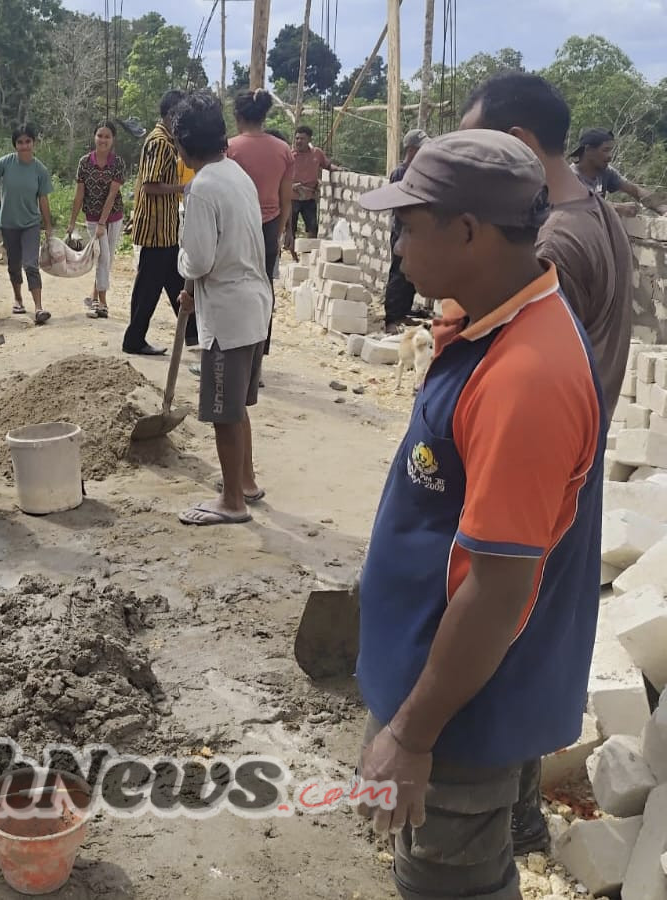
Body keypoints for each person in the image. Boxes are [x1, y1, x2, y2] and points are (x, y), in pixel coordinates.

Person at [353, 130, 604, 900]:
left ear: (468, 231)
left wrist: (413, 734)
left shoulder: (526, 376)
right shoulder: (489, 323)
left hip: (461, 711)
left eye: (407, 224)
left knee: (448, 883)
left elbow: (496, 593)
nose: (395, 247)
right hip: (439, 684)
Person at [461, 72, 636, 853]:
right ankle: (519, 809)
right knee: (533, 631)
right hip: (572, 462)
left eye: (479, 148)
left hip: (543, 470)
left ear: (523, 146)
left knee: (507, 631)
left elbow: (525, 374)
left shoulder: (554, 241)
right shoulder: (592, 210)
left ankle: (505, 819)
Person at [172, 91, 273, 526]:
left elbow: (198, 260)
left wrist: (185, 268)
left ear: (183, 143)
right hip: (253, 304)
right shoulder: (237, 174)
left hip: (228, 315)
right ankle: (246, 481)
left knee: (223, 412)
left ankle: (232, 501)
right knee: (238, 405)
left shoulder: (201, 188)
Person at [123, 89, 198, 355]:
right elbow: (150, 185)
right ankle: (134, 339)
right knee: (149, 289)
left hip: (164, 228)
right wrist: (183, 188)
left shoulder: (164, 141)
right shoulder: (161, 143)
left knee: (175, 282)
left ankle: (194, 335)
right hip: (156, 228)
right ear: (171, 116)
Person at [0, 124, 54, 324]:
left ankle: (39, 308)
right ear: (15, 145)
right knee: (14, 265)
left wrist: (48, 226)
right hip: (9, 224)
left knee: (31, 264)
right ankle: (18, 299)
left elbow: (43, 200)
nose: (24, 146)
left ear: (33, 143)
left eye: (27, 142)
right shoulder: (6, 162)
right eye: (20, 142)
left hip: (31, 223)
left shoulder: (40, 170)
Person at [227, 88, 293, 352]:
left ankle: (232, 351)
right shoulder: (283, 150)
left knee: (232, 286)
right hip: (269, 226)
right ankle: (258, 352)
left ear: (238, 116)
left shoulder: (230, 148)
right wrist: (280, 231)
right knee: (263, 288)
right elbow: (285, 199)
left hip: (238, 226)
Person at [67, 121, 126, 320]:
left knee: (107, 259)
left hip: (114, 215)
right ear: (94, 137)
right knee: (102, 257)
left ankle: (94, 295)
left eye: (107, 136)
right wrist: (72, 222)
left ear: (113, 140)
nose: (103, 140)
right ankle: (102, 303)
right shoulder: (84, 162)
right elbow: (79, 194)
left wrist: (104, 222)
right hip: (92, 216)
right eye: (100, 135)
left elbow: (112, 195)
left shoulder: (117, 163)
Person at [383, 129, 430, 334]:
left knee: (411, 273)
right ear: (411, 150)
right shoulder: (400, 173)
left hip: (416, 231)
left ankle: (403, 313)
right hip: (402, 230)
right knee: (398, 272)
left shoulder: (420, 172)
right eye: (421, 149)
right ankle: (391, 318)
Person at [570, 128, 667, 215]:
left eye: (611, 150)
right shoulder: (569, 177)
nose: (610, 156)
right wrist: (616, 208)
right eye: (605, 150)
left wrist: (660, 207)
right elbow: (579, 208)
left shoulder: (605, 171)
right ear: (588, 150)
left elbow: (635, 190)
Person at [287, 124, 339, 258]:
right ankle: (293, 256)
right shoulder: (290, 155)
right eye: (297, 138)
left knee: (312, 227)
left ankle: (309, 254)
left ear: (309, 139)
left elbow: (327, 165)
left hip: (309, 198)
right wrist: (291, 185)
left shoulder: (317, 154)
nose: (299, 141)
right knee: (290, 228)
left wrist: (337, 170)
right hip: (292, 198)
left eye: (302, 139)